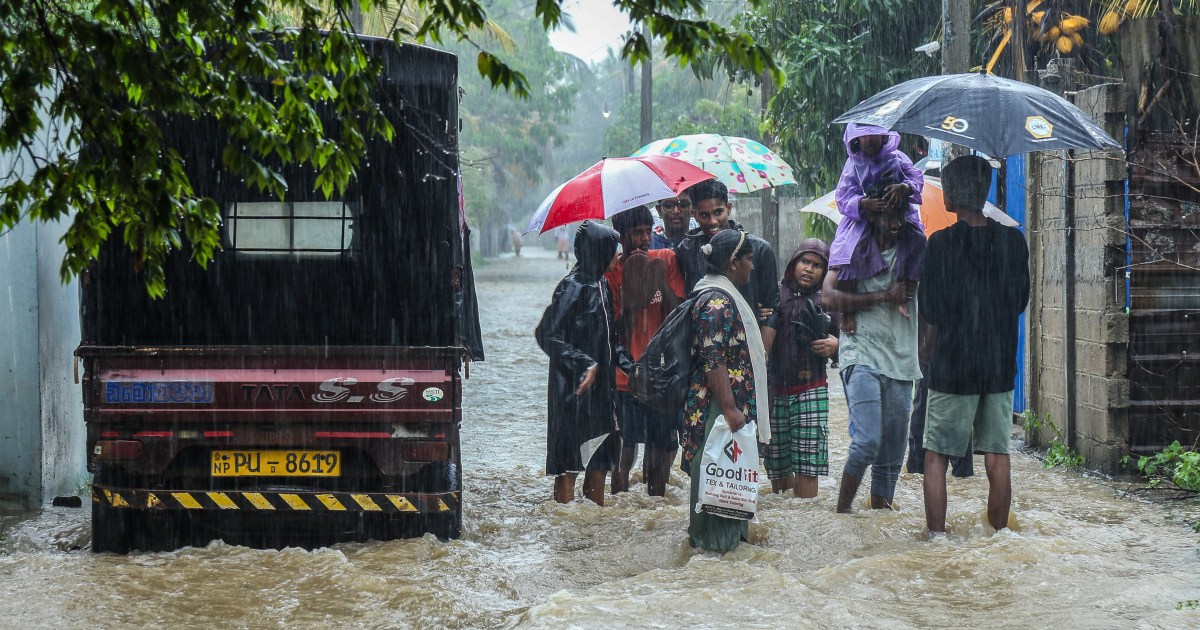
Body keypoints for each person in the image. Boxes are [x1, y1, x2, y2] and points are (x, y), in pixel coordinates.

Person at [919, 155, 1029, 534]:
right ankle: (999, 537)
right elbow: (1019, 302)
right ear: (983, 192)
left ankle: (936, 538)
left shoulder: (940, 245)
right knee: (998, 458)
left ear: (951, 195)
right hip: (998, 367)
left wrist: (927, 355)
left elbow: (930, 310)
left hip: (953, 365)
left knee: (936, 457)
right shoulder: (1013, 242)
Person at [822, 199, 922, 513]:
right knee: (866, 441)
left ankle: (879, 518)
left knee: (891, 457)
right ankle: (842, 515)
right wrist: (882, 296)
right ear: (872, 215)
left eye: (900, 215)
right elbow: (827, 297)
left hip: (901, 357)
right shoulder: (853, 246)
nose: (895, 222)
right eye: (887, 215)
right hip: (859, 351)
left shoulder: (915, 249)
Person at [680, 229, 771, 553]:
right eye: (749, 260)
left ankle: (724, 550)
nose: (752, 266)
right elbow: (713, 357)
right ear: (733, 263)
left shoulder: (719, 294)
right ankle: (715, 551)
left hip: (721, 406)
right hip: (717, 408)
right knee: (719, 478)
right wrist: (731, 409)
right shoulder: (717, 301)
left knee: (729, 478)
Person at [535, 221, 632, 506]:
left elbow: (610, 340)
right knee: (569, 464)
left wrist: (631, 367)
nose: (618, 255)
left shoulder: (601, 284)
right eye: (613, 249)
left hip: (602, 392)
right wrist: (583, 363)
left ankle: (593, 526)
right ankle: (565, 524)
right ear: (597, 251)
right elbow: (546, 334)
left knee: (600, 459)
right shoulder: (571, 287)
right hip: (572, 391)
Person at [604, 206, 685, 496]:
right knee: (625, 450)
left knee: (662, 446)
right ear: (621, 236)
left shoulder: (666, 259)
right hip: (626, 377)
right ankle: (620, 505)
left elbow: (680, 314)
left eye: (648, 232)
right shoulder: (611, 272)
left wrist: (657, 279)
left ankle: (657, 501)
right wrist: (634, 295)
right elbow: (612, 331)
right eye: (637, 233)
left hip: (662, 374)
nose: (644, 239)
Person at [829, 123, 926, 332]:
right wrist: (863, 203)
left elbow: (916, 177)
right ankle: (847, 313)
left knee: (918, 240)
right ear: (855, 140)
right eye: (865, 137)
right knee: (847, 253)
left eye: (875, 135)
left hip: (899, 213)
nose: (870, 140)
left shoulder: (897, 158)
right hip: (863, 220)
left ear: (885, 137)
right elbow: (843, 196)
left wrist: (905, 187)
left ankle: (903, 288)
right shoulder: (852, 165)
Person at [766, 239, 840, 498]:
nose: (809, 269)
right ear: (794, 263)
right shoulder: (775, 295)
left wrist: (836, 344)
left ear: (825, 271)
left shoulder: (830, 299)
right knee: (777, 466)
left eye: (817, 265)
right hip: (774, 391)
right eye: (805, 261)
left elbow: (852, 339)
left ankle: (805, 522)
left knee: (808, 466)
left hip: (812, 388)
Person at [673, 180, 780, 346]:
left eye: (718, 212)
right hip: (703, 345)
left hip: (749, 342)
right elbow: (683, 303)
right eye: (704, 215)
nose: (712, 221)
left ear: (728, 208)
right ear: (694, 213)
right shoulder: (686, 251)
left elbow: (773, 309)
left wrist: (761, 354)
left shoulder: (758, 249)